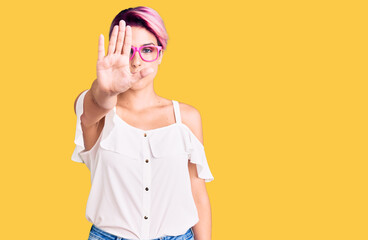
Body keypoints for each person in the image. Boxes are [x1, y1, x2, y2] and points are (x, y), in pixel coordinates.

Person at [72, 6, 214, 240]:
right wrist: (106, 88)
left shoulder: (187, 118)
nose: (136, 61)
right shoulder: (96, 111)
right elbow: (95, 104)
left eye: (147, 50)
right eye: (127, 51)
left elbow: (198, 193)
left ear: (161, 54)